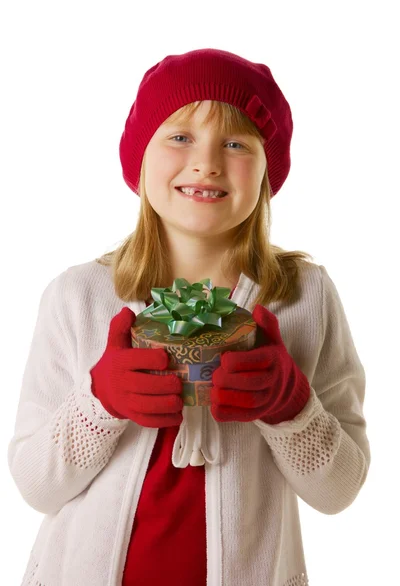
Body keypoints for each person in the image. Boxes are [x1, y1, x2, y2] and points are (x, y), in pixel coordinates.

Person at [7, 48, 371, 586]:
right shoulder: (77, 296)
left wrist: (292, 407)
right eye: (179, 137)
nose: (207, 162)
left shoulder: (303, 298)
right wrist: (98, 402)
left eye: (235, 143)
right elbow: (36, 486)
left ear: (267, 170)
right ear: (140, 157)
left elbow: (338, 492)